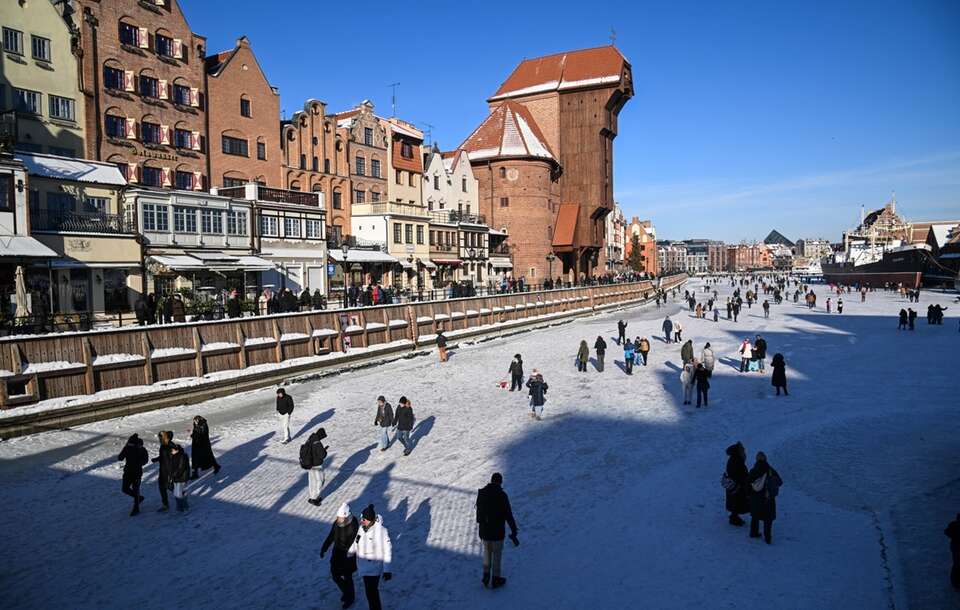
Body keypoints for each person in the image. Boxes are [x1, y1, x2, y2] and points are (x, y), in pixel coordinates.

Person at [476, 472, 519, 589]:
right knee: (496, 555)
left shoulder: (482, 493)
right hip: (497, 533)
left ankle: (486, 576)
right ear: (500, 482)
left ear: (491, 480)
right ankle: (495, 579)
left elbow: (479, 514)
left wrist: (480, 531)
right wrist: (514, 530)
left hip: (484, 531)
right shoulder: (502, 495)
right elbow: (508, 515)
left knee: (486, 554)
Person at [348, 504, 392, 610]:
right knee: (369, 591)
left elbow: (387, 550)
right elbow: (356, 541)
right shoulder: (361, 529)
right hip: (363, 566)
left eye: (364, 519)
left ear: (371, 520)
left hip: (374, 568)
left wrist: (387, 570)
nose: (362, 521)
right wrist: (349, 553)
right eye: (362, 518)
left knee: (371, 591)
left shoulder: (381, 531)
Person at [322, 503, 360, 608]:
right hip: (337, 552)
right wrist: (324, 547)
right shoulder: (337, 523)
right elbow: (331, 536)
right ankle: (346, 592)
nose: (338, 520)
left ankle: (350, 597)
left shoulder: (354, 526)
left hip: (348, 555)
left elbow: (356, 543)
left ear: (347, 517)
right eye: (337, 518)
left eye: (341, 518)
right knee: (335, 574)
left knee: (347, 576)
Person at [747, 452, 782, 544]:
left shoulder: (754, 470)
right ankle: (767, 538)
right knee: (768, 518)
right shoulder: (770, 470)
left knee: (755, 515)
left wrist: (749, 494)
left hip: (755, 497)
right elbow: (780, 482)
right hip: (768, 497)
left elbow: (747, 482)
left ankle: (753, 532)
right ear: (765, 459)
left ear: (756, 460)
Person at [118, 433, 148, 516]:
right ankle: (139, 498)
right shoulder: (127, 448)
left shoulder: (142, 449)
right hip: (128, 472)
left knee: (136, 489)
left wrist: (138, 463)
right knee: (125, 489)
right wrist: (125, 447)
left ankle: (136, 508)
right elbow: (120, 458)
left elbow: (145, 460)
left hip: (137, 473)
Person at [300, 427, 328, 505]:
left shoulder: (311, 438)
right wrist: (325, 450)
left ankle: (312, 496)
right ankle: (315, 498)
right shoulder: (317, 443)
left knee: (312, 481)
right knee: (319, 481)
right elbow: (322, 455)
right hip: (317, 465)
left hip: (310, 464)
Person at [724, 442, 749, 526]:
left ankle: (734, 516)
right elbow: (738, 472)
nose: (744, 450)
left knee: (735, 500)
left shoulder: (735, 458)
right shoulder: (736, 460)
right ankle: (734, 518)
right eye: (742, 449)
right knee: (736, 501)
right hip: (736, 484)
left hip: (734, 484)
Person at [151, 430, 174, 512]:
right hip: (163, 469)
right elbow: (163, 456)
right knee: (161, 487)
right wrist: (156, 459)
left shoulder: (171, 446)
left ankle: (181, 495)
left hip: (169, 471)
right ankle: (165, 504)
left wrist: (171, 473)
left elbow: (172, 460)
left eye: (160, 437)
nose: (159, 439)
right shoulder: (163, 446)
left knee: (169, 486)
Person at [169, 442, 191, 512]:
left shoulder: (182, 456)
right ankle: (180, 507)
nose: (171, 451)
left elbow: (181, 468)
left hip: (182, 478)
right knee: (177, 493)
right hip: (176, 478)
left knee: (179, 494)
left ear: (177, 450)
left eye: (172, 450)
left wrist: (173, 475)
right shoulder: (174, 456)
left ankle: (185, 508)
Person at [946, 513, 960, 589]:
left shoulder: (954, 525)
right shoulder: (954, 525)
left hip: (955, 548)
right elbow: (947, 532)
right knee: (957, 565)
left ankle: (955, 582)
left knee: (956, 565)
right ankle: (955, 583)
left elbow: (947, 532)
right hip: (956, 549)